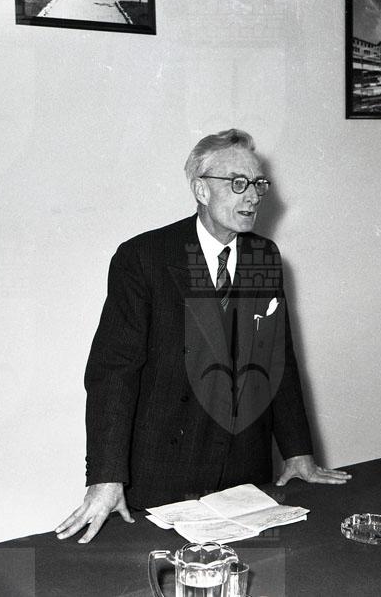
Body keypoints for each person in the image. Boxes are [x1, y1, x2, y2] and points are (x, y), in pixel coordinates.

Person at [56, 129, 350, 543]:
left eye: (258, 184)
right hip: (163, 472)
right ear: (201, 189)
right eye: (238, 183)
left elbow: (277, 360)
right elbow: (113, 372)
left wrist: (297, 450)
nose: (253, 197)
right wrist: (105, 476)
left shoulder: (264, 257)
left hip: (244, 473)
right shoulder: (144, 257)